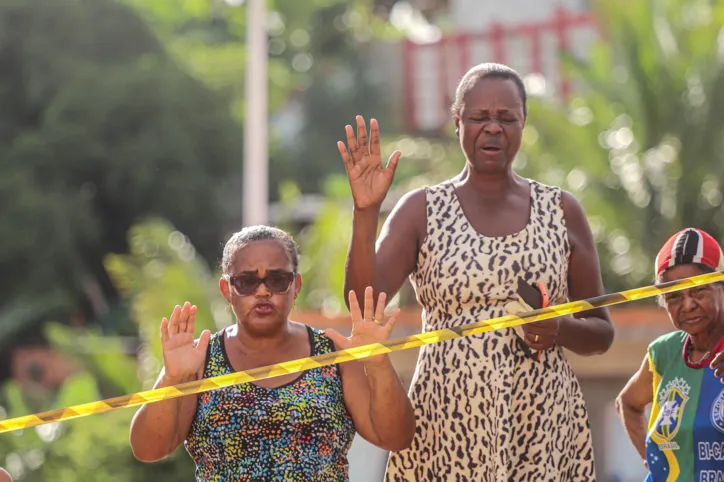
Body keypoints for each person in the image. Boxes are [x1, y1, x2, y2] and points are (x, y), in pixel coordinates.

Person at [338, 62, 614, 481]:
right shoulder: (422, 210)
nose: (493, 128)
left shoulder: (561, 210)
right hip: (446, 419)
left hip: (541, 423)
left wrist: (560, 329)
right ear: (457, 121)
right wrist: (365, 211)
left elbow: (602, 331)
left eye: (506, 118)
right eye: (479, 117)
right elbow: (363, 303)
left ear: (523, 123)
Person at [129, 225, 415, 481]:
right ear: (227, 290)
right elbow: (148, 449)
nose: (263, 291)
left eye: (277, 280)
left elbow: (396, 437)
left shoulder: (332, 355)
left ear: (296, 286)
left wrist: (378, 365)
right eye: (246, 281)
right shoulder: (200, 360)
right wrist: (172, 377)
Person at [616, 228, 724, 481]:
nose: (687, 305)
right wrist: (652, 460)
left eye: (698, 291)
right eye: (674, 296)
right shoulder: (663, 354)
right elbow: (627, 403)